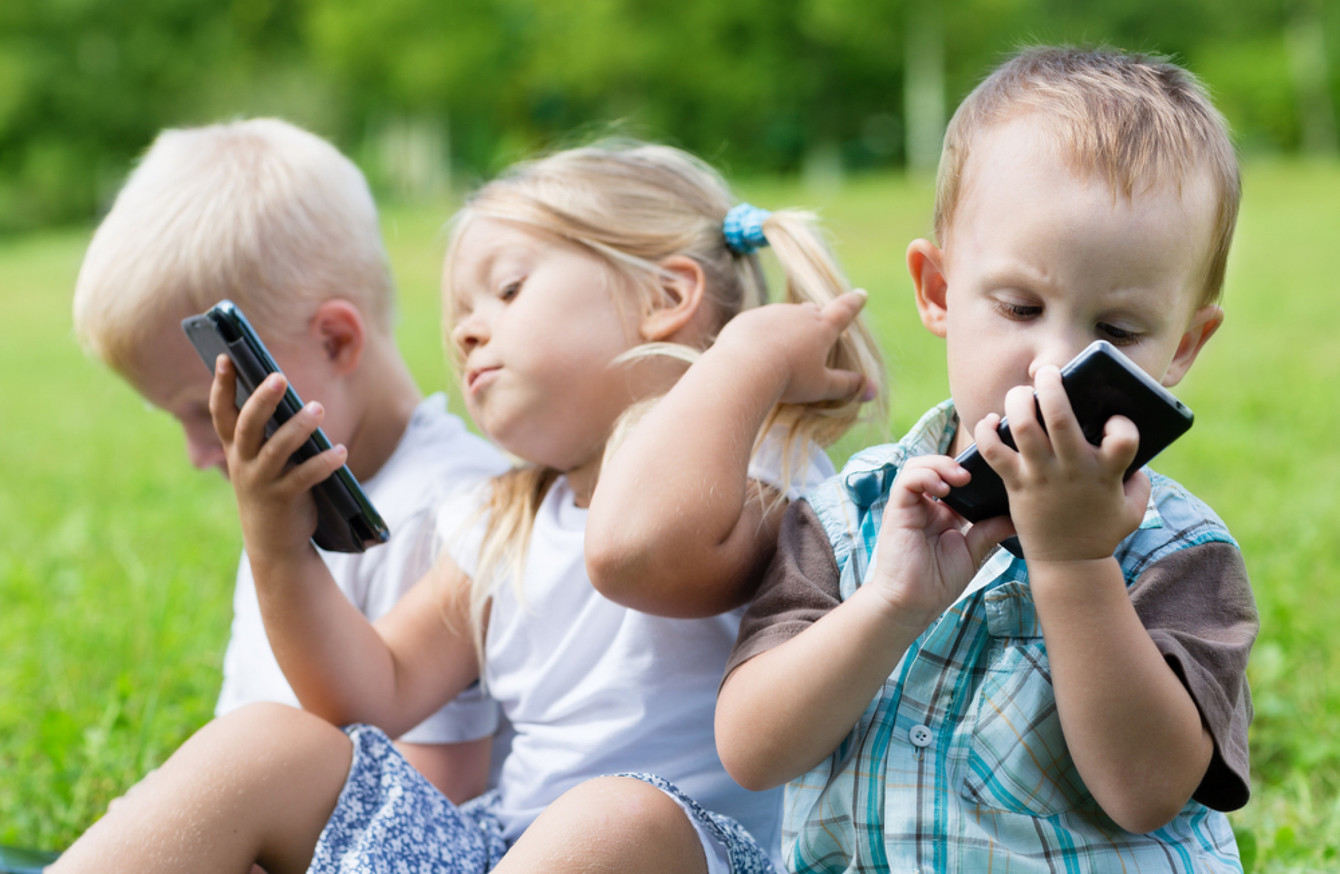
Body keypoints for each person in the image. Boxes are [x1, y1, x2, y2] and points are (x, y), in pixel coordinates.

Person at [51, 139, 884, 874]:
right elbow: (365, 700)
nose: (467, 334)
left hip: (686, 854)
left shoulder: (767, 477)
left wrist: (747, 357)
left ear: (668, 295)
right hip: (499, 853)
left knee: (615, 814)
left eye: (508, 289)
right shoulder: (504, 520)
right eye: (458, 319)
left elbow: (635, 551)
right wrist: (279, 548)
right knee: (266, 742)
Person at [709, 46, 1259, 871]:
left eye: (1115, 333)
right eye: (1019, 306)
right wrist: (889, 603)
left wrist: (1074, 563)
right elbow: (754, 751)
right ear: (936, 292)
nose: (1053, 366)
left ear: (1182, 345)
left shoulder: (1179, 551)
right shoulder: (845, 519)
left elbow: (1145, 790)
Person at [70, 118, 508, 801]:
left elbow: (438, 802)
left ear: (336, 342)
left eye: (205, 410)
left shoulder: (449, 516)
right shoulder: (289, 509)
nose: (196, 452)